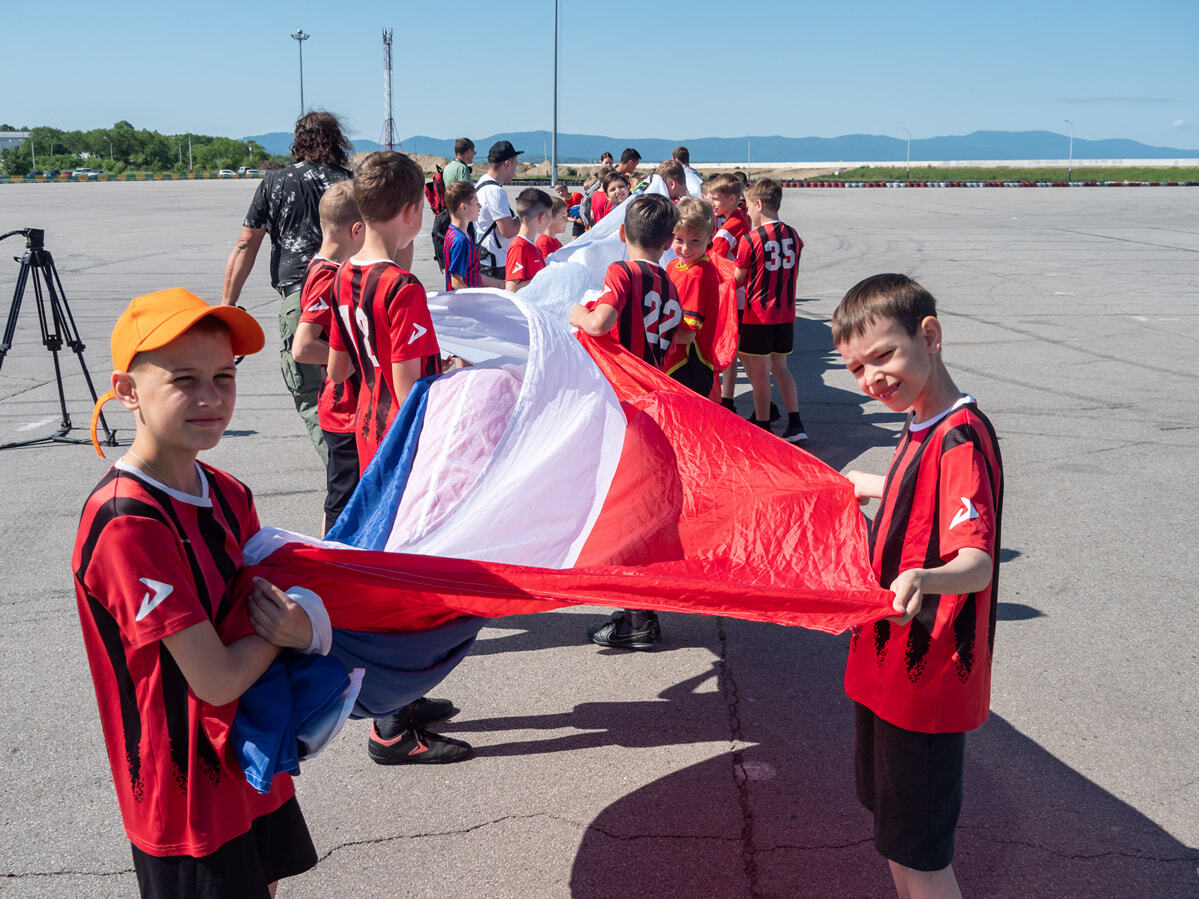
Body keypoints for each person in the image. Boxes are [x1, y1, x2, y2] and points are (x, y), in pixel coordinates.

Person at [75, 288, 322, 897]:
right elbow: (214, 678)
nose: (211, 397)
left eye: (224, 376)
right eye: (184, 379)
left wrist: (308, 621)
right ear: (127, 390)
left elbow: (263, 595)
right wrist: (290, 630)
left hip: (246, 756)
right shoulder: (127, 522)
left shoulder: (227, 490)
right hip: (182, 791)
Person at [831, 273, 1003, 899]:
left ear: (929, 336)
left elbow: (977, 560)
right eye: (856, 369)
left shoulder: (959, 437)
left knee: (922, 856)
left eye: (884, 356)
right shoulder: (919, 421)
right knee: (895, 836)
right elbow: (914, 488)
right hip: (887, 671)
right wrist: (862, 485)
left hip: (927, 673)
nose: (873, 378)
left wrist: (924, 576)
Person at [325, 150, 472, 764]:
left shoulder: (341, 276)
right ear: (413, 211)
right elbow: (412, 388)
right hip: (400, 441)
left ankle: (399, 701)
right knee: (401, 580)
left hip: (364, 431)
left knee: (389, 567)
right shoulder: (402, 286)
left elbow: (337, 368)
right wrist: (453, 377)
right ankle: (389, 723)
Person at [570, 194, 681, 651]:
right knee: (642, 509)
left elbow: (600, 324)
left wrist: (576, 312)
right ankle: (640, 606)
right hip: (653, 401)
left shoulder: (622, 272)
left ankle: (639, 617)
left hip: (626, 403)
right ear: (669, 240)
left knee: (627, 510)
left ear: (621, 234)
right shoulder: (668, 283)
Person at [220, 111, 354, 465]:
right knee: (353, 388)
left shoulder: (276, 183)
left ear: (298, 140)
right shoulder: (352, 183)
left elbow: (246, 245)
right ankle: (357, 471)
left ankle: (345, 478)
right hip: (352, 297)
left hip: (301, 297)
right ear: (336, 139)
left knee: (310, 395)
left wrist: (227, 306)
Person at [291, 181, 367, 535]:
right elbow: (303, 346)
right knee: (344, 501)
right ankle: (333, 560)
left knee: (344, 497)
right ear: (358, 229)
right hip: (342, 409)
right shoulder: (328, 276)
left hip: (343, 407)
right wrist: (354, 356)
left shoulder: (323, 267)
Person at [734, 178, 806, 442]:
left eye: (749, 206)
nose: (747, 212)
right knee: (782, 368)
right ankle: (796, 421)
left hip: (758, 315)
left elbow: (738, 278)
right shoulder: (794, 235)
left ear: (760, 204)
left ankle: (763, 425)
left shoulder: (750, 239)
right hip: (786, 314)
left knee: (761, 371)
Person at [665, 198, 721, 396]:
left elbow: (688, 335)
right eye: (679, 240)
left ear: (710, 237)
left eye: (695, 241)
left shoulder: (698, 275)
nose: (686, 249)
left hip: (688, 366)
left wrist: (648, 338)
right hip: (672, 361)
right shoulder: (673, 266)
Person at [708, 173, 753, 411]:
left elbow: (715, 255)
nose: (712, 203)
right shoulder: (740, 220)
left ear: (732, 197)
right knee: (733, 352)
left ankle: (727, 399)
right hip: (737, 294)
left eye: (716, 198)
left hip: (731, 295)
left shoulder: (730, 226)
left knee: (729, 349)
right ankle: (728, 398)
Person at [475, 140, 523, 279]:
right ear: (507, 164)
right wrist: (526, 219)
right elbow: (507, 231)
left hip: (485, 258)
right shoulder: (495, 192)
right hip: (494, 263)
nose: (515, 169)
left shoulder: (482, 183)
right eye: (515, 164)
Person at [443, 181, 503, 290]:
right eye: (476, 203)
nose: (480, 207)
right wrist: (473, 302)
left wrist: (499, 284)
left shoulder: (457, 234)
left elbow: (471, 271)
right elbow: (456, 282)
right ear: (464, 207)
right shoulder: (460, 240)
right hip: (465, 305)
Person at [505, 188, 553, 292]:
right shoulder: (519, 247)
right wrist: (545, 278)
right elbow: (511, 290)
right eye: (550, 216)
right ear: (542, 217)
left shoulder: (532, 246)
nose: (551, 221)